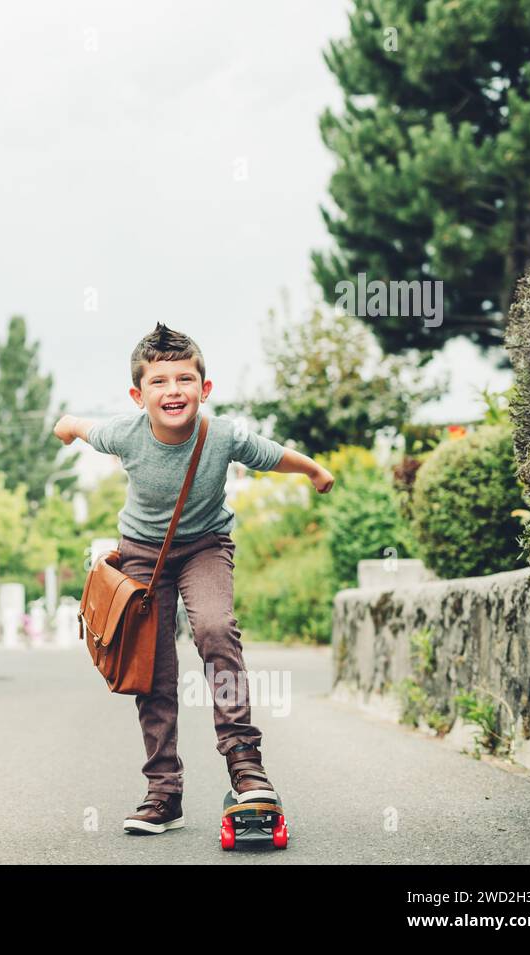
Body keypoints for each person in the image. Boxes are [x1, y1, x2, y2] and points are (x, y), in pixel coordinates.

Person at [53, 322, 334, 835]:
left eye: (184, 380)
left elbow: (274, 456)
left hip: (205, 546)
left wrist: (314, 470)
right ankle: (163, 793)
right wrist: (67, 424)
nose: (173, 391)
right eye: (159, 382)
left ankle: (246, 765)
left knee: (215, 630)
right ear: (139, 396)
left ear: (204, 389)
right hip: (143, 557)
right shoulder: (123, 433)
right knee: (153, 670)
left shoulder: (223, 434)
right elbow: (82, 428)